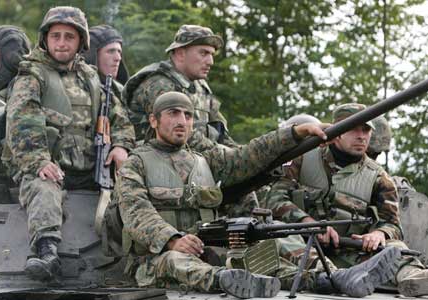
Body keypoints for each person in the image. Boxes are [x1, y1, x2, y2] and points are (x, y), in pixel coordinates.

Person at [114, 92, 401, 298]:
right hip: (154, 259)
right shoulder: (136, 163)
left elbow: (249, 155)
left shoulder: (206, 158)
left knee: (265, 247)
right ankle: (229, 281)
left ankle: (329, 279)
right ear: (153, 120)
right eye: (173, 114)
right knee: (178, 263)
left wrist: (295, 133)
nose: (182, 121)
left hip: (209, 248)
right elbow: (136, 213)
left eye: (188, 115)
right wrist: (173, 240)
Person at [5, 6, 135, 281]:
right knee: (44, 191)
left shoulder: (91, 78)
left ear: (81, 42)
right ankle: (46, 252)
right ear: (45, 39)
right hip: (47, 167)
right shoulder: (33, 75)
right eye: (56, 36)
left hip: (89, 169)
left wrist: (121, 146)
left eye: (69, 37)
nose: (61, 43)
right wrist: (40, 161)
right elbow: (23, 122)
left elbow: (119, 119)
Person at [265, 103, 428, 297]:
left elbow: (393, 225)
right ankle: (333, 277)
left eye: (366, 129)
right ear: (337, 132)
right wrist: (309, 224)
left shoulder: (379, 177)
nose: (362, 136)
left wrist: (379, 234)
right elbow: (274, 199)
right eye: (354, 129)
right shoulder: (302, 159)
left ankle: (414, 278)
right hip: (303, 248)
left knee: (395, 248)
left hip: (351, 253)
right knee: (276, 231)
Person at [124, 24, 257, 218]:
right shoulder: (158, 84)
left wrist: (245, 157)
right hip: (158, 163)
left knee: (253, 180)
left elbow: (221, 133)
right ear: (179, 53)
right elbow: (187, 137)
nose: (210, 61)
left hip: (198, 161)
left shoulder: (201, 88)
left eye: (211, 54)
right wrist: (231, 160)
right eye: (203, 53)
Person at [83, 24, 129, 99]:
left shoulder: (122, 93)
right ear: (92, 55)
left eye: (119, 52)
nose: (118, 58)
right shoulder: (74, 89)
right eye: (111, 51)